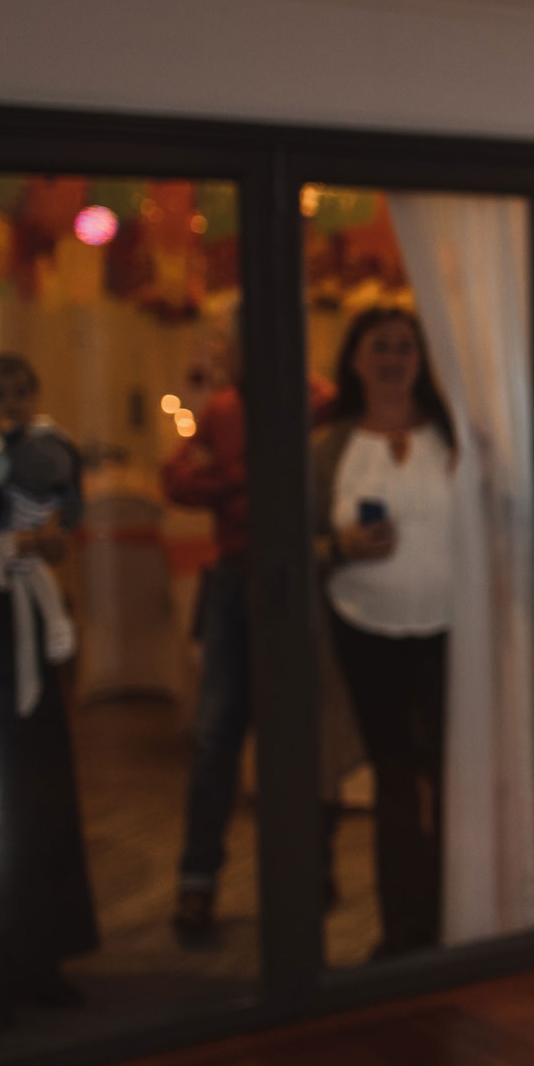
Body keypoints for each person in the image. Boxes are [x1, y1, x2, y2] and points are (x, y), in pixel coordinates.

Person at [164, 352, 336, 941]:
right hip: (235, 577)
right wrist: (249, 473)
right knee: (216, 732)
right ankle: (198, 882)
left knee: (298, 734)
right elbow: (178, 481)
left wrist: (230, 477)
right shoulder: (220, 409)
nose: (225, 358)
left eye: (232, 345)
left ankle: (306, 875)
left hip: (298, 576)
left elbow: (306, 485)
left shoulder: (318, 402)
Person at [312, 307, 458, 958]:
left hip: (454, 633)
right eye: (380, 347)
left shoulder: (457, 435)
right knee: (396, 780)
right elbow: (295, 544)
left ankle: (462, 912)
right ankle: (405, 927)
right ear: (354, 361)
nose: (395, 357)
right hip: (361, 630)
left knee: (454, 774)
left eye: (406, 345)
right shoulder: (329, 447)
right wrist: (340, 545)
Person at [0, 353, 98, 1015]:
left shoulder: (42, 449)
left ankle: (39, 955)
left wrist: (46, 543)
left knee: (41, 791)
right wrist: (23, 547)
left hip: (26, 636)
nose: (11, 401)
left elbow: (57, 517)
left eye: (21, 390)